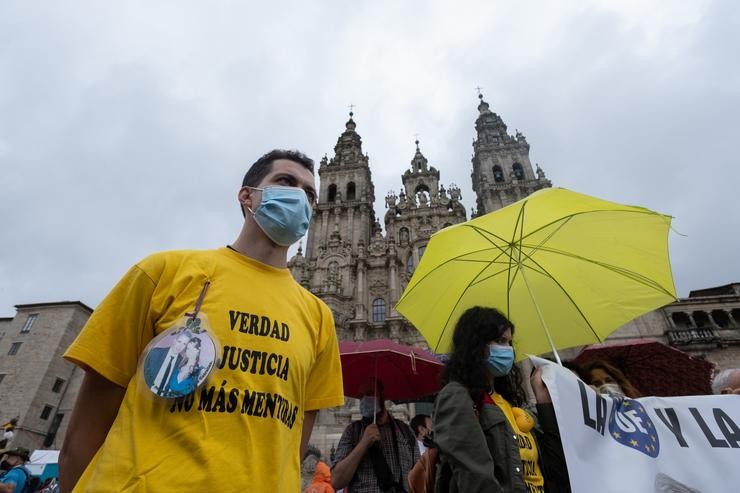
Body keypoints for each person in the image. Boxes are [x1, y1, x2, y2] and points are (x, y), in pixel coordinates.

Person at [59, 149, 345, 492]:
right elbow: (83, 433)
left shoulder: (319, 317)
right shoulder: (162, 274)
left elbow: (292, 442)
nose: (299, 196)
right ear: (247, 195)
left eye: (310, 194)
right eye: (285, 182)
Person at [432, 306, 570, 493]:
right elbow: (475, 480)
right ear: (476, 345)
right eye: (500, 341)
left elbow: (553, 467)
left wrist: (544, 402)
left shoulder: (508, 403)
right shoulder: (458, 396)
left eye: (509, 343)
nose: (508, 350)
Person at [332, 379, 419, 492]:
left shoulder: (405, 431)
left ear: (383, 395)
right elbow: (335, 481)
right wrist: (363, 444)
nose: (364, 399)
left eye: (369, 394)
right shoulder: (352, 431)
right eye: (361, 396)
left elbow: (419, 476)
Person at [144, 330, 192, 396]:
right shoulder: (155, 352)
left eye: (184, 344)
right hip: (147, 393)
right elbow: (146, 373)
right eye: (179, 341)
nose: (180, 346)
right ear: (174, 340)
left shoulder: (183, 363)